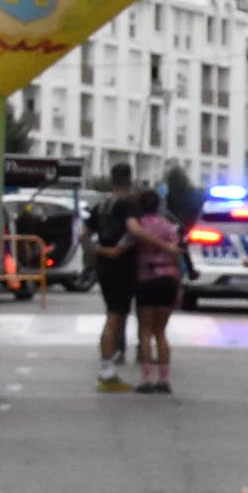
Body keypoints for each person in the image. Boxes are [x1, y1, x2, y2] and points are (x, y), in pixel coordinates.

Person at [125, 191, 183, 395]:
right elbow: (177, 254)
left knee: (146, 331)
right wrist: (179, 285)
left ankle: (147, 378)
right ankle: (164, 379)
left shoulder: (138, 225)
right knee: (161, 332)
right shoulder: (169, 226)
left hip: (147, 278)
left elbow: (128, 248)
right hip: (168, 279)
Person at [88, 163, 139, 393]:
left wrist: (95, 253)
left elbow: (83, 234)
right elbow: (133, 230)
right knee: (115, 317)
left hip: (104, 267)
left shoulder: (102, 204)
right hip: (122, 267)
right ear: (130, 179)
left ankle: (107, 368)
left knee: (112, 315)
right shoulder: (128, 203)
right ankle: (106, 373)